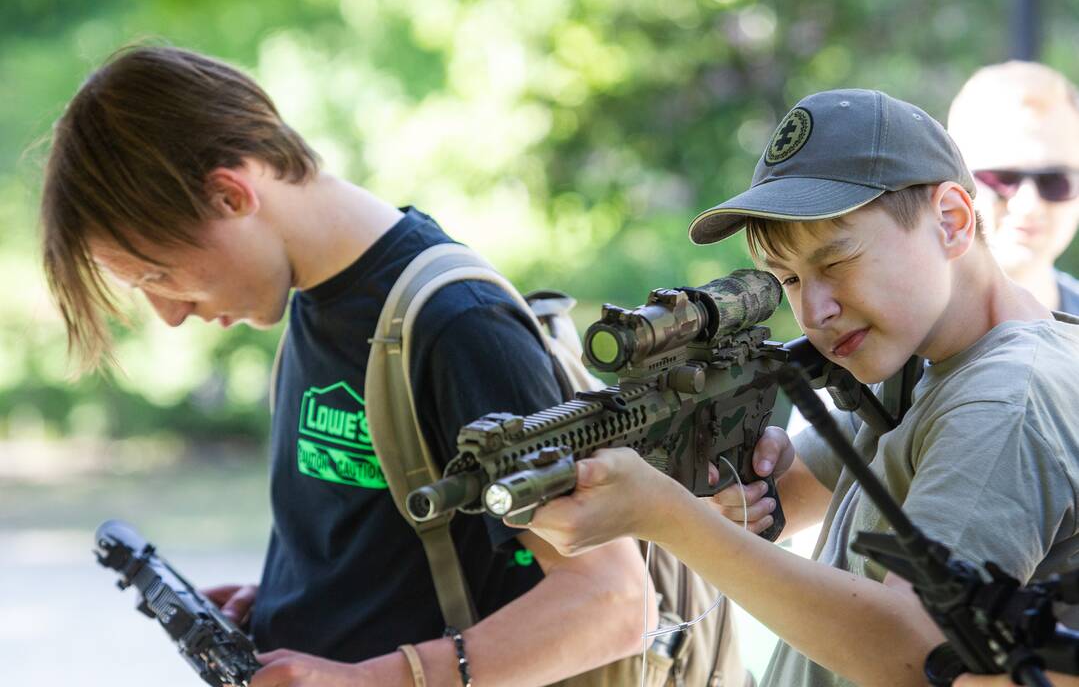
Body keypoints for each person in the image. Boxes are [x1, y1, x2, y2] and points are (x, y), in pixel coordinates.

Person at [40, 45, 651, 687]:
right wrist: (291, 604)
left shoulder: (458, 323)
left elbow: (609, 601)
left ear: (229, 196)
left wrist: (373, 680)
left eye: (158, 275)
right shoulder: (309, 304)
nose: (168, 314)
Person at [526, 88, 1079, 687]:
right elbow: (785, 500)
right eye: (787, 279)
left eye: (837, 263)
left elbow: (917, 650)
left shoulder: (1006, 397)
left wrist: (669, 517)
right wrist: (726, 482)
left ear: (950, 222)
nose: (814, 311)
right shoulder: (917, 358)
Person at [948, 61, 1079, 314]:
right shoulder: (902, 333)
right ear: (953, 179)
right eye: (1002, 178)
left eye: (1055, 181)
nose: (1028, 204)